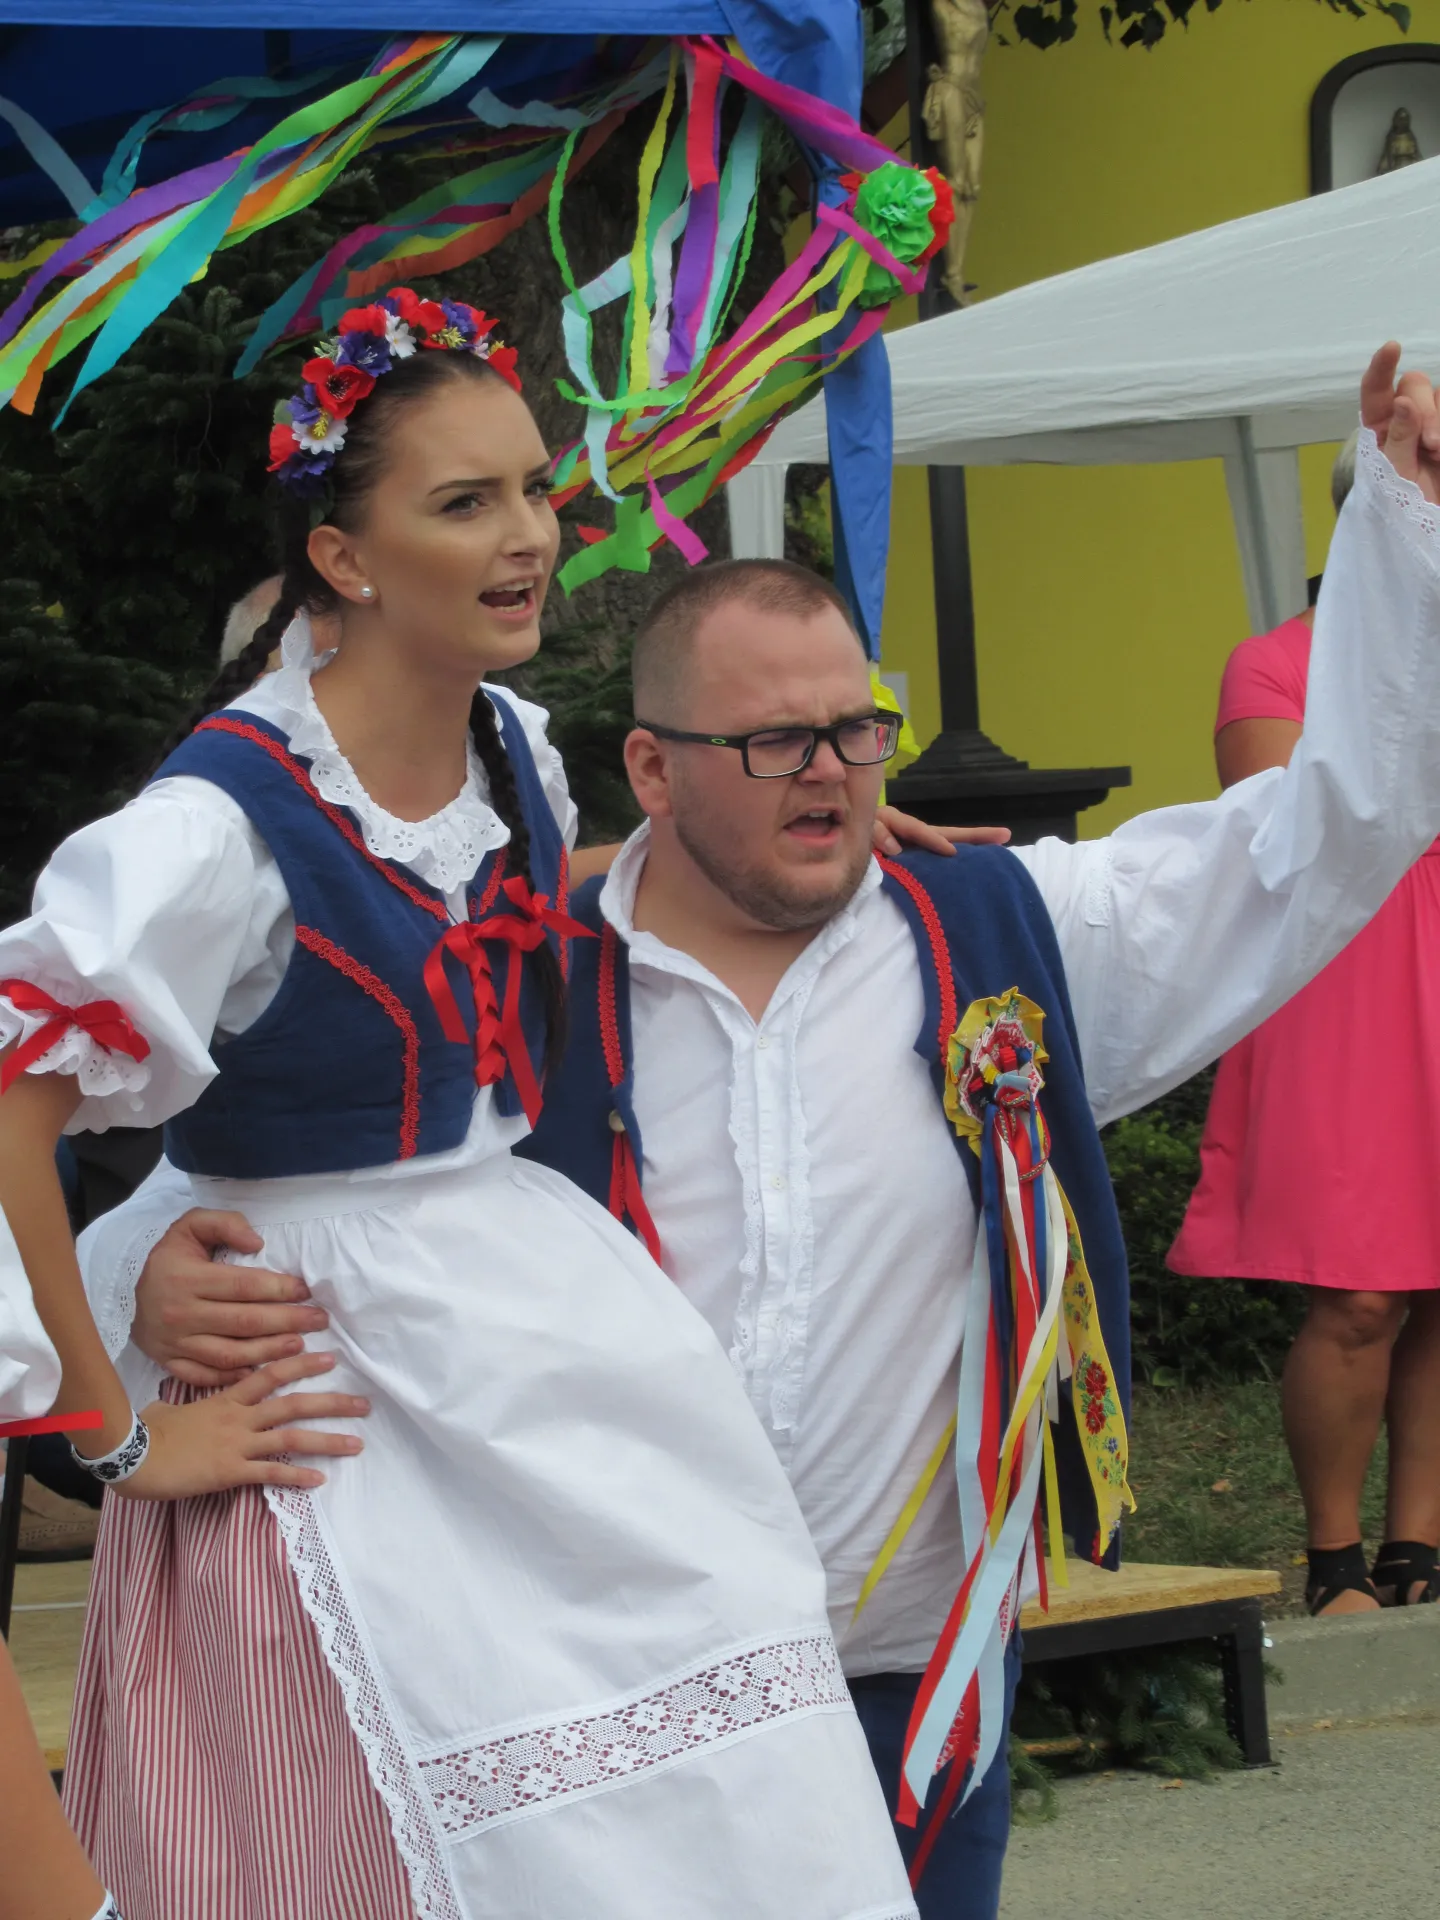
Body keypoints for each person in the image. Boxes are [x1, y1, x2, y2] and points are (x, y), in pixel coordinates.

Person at [87, 347, 1440, 1917]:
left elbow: (1333, 827)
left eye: (856, 730)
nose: (832, 775)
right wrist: (140, 1292)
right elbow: (261, 1174)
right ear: (651, 769)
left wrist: (1405, 519)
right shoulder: (514, 968)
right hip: (595, 1698)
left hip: (915, 1675)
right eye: (774, 742)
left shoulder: (1010, 937)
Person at [0, 290, 921, 1920]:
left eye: (534, 490)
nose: (528, 537)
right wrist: (109, 1433)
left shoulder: (512, 749)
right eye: (464, 502)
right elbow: (17, 1086)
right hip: (320, 1388)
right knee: (383, 1824)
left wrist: (821, 815)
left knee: (720, 1748)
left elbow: (502, 915)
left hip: (528, 1322)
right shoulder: (216, 829)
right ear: (344, 558)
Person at [1169, 433, 1440, 1616]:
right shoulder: (1276, 661)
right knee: (1359, 1294)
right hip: (1344, 983)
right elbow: (1283, 824)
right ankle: (1334, 1560)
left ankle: (1418, 1551)